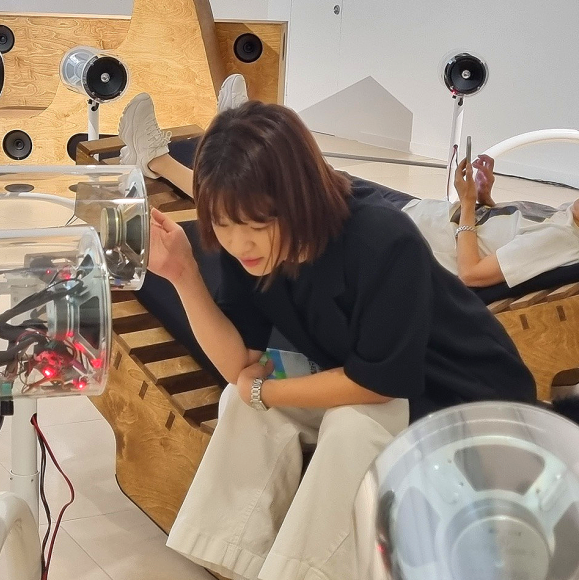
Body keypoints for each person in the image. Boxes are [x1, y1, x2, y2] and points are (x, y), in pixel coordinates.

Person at [140, 99, 537, 580]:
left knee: (350, 425)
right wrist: (182, 274)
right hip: (383, 388)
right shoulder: (247, 248)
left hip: (469, 405)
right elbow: (238, 365)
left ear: (296, 199)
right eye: (223, 224)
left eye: (256, 225)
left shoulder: (381, 238)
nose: (239, 242)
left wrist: (265, 390)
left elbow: (377, 383)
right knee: (243, 404)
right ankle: (225, 562)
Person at [119, 80, 579, 289]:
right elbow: (504, 239)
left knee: (268, 199)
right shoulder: (567, 222)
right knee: (302, 174)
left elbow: (473, 274)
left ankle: (156, 159)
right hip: (414, 215)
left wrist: (467, 205)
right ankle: (237, 130)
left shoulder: (565, 240)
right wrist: (483, 197)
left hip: (403, 238)